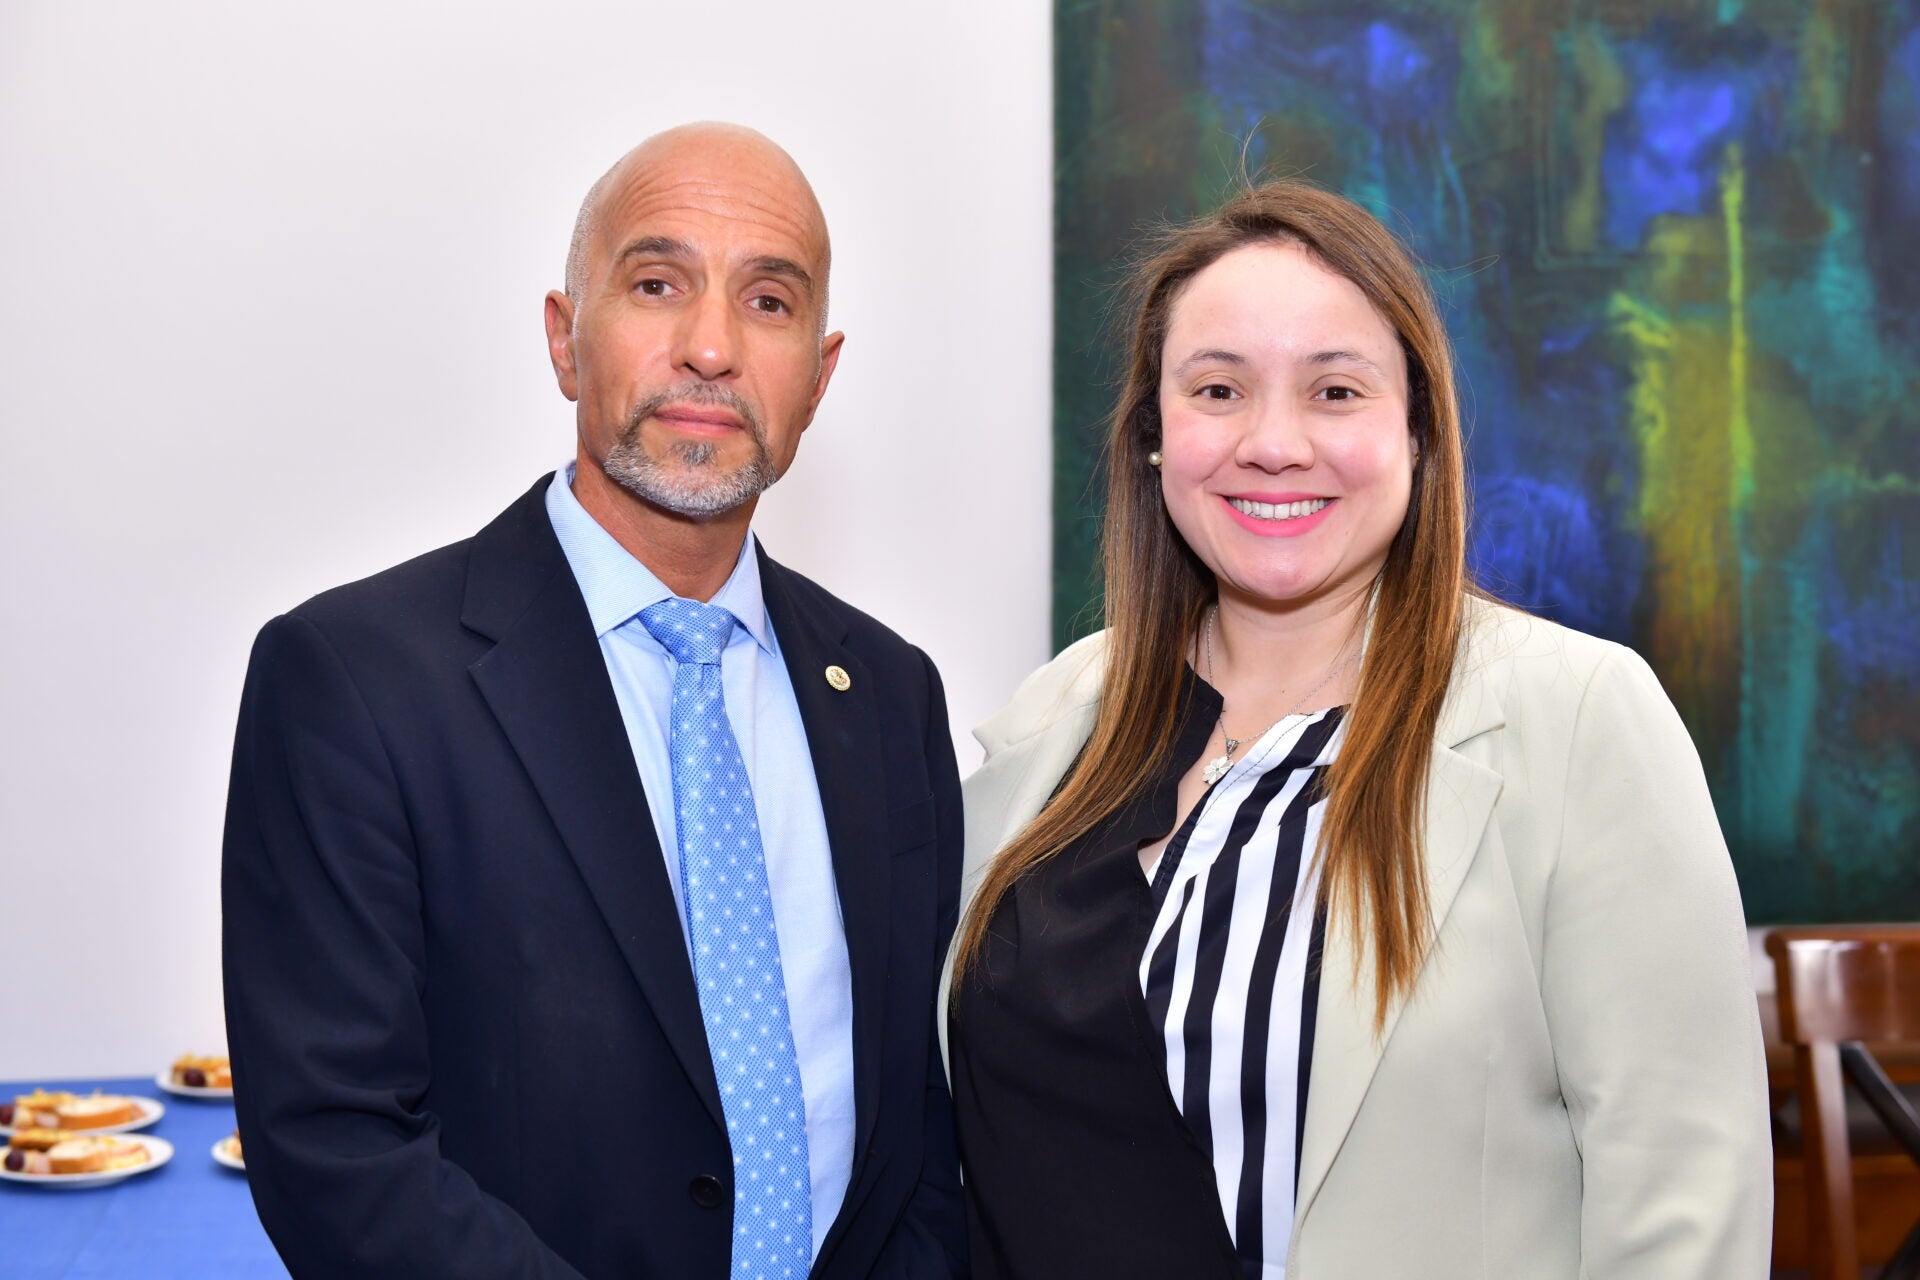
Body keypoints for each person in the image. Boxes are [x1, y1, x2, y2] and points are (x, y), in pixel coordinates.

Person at [946, 180, 1771, 1278]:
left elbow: (1683, 1207)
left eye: (1336, 389)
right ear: (1155, 435)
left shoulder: (1578, 720)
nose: (1274, 442)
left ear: (1419, 432)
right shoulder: (1054, 720)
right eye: (1218, 388)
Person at [222, 123, 966, 1279]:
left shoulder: (889, 692)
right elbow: (337, 1146)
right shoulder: (354, 683)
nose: (711, 346)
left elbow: (916, 1135)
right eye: (658, 283)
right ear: (567, 340)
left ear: (818, 379)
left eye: (768, 301)